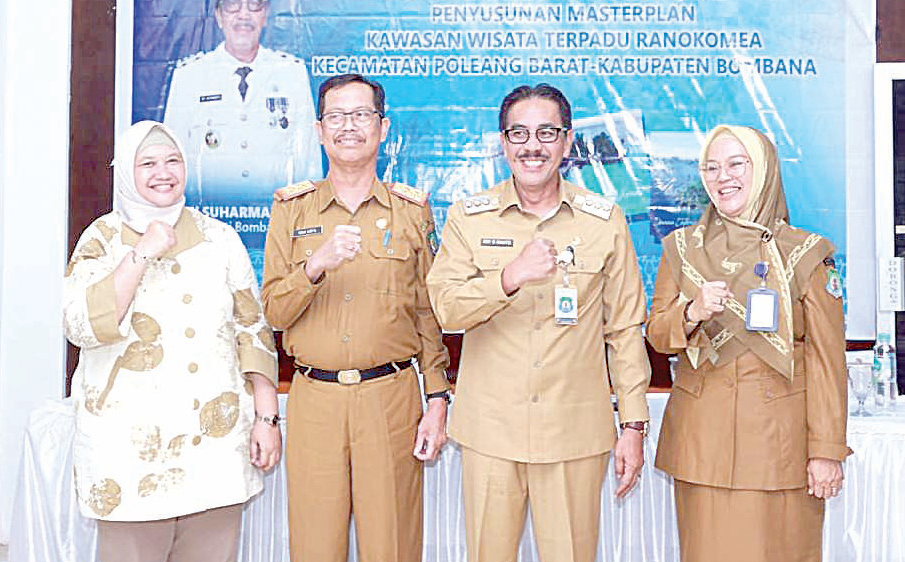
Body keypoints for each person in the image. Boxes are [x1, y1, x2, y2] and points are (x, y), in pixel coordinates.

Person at [426, 83, 651, 562]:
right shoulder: (468, 218)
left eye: (547, 132)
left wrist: (632, 425)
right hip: (491, 431)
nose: (533, 146)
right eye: (520, 133)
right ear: (503, 142)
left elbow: (625, 330)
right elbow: (445, 308)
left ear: (568, 142)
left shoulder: (604, 221)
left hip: (574, 432)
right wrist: (509, 277)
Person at [63, 120, 281, 562]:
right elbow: (82, 324)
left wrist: (267, 418)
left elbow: (252, 330)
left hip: (214, 447)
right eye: (147, 163)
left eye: (172, 160)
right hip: (128, 451)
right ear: (126, 171)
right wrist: (141, 252)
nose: (163, 172)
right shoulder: (101, 239)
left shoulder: (220, 238)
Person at [261, 73, 451, 562]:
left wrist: (437, 400)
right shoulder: (291, 209)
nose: (350, 126)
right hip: (314, 400)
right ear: (320, 130)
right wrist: (315, 265)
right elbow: (275, 313)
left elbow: (428, 313)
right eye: (337, 116)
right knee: (314, 546)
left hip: (389, 400)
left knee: (392, 544)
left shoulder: (412, 211)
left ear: (383, 128)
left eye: (362, 115)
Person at [647, 124, 850, 562]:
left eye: (737, 164)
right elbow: (659, 335)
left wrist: (827, 452)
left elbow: (828, 363)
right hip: (702, 448)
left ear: (764, 171)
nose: (723, 177)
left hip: (780, 451)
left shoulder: (807, 254)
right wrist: (691, 312)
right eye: (712, 167)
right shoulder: (682, 249)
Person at [163, 0, 322, 260]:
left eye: (254, 6)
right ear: (218, 16)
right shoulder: (190, 75)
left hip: (274, 227)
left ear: (266, 15)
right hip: (209, 230)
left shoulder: (291, 72)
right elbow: (171, 160)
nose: (243, 15)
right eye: (233, 6)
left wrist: (308, 229)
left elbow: (309, 160)